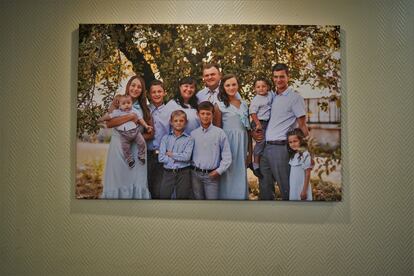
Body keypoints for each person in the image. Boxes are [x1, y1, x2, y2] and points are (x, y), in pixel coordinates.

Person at [254, 63, 309, 200]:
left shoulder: (294, 98)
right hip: (265, 148)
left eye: (282, 77)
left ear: (288, 77)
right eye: (276, 77)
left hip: (281, 148)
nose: (279, 80)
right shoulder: (271, 96)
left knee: (286, 189)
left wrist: (305, 151)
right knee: (265, 189)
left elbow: (302, 125)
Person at [101, 75, 153, 199]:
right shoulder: (118, 101)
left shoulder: (145, 108)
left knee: (137, 182)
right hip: (118, 147)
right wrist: (130, 117)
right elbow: (109, 123)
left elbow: (151, 133)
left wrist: (135, 138)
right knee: (118, 181)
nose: (135, 89)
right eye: (133, 85)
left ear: (142, 90)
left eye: (139, 87)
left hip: (137, 149)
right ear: (128, 86)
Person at [213, 74, 252, 200]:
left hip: (242, 143)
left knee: (240, 173)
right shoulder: (219, 105)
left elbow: (248, 130)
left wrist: (250, 153)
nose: (231, 87)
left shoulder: (244, 104)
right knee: (228, 174)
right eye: (228, 85)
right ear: (223, 87)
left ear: (238, 85)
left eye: (234, 84)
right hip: (228, 143)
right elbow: (217, 131)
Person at [191, 101, 232, 200]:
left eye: (208, 114)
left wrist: (218, 171)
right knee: (198, 203)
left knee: (212, 204)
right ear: (198, 114)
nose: (205, 116)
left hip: (211, 175)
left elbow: (227, 156)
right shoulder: (193, 134)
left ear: (213, 115)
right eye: (202, 113)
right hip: (195, 174)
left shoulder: (219, 133)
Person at [100, 94, 153, 168]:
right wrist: (101, 119)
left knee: (142, 143)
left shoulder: (134, 110)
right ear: (119, 105)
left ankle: (141, 155)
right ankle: (129, 160)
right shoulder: (117, 112)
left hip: (135, 132)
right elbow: (109, 116)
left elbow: (141, 119)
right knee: (125, 148)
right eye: (124, 104)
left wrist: (146, 126)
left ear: (131, 103)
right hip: (124, 135)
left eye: (128, 103)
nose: (126, 105)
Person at [159, 110, 194, 199]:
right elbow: (161, 158)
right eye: (176, 121)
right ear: (171, 122)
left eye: (181, 121)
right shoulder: (165, 138)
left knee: (182, 198)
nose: (178, 123)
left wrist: (171, 154)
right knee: (164, 196)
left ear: (185, 123)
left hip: (183, 172)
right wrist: (178, 157)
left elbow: (186, 157)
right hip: (168, 172)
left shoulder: (189, 139)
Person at [147, 80, 169, 199]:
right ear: (149, 95)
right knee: (147, 187)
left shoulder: (169, 111)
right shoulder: (145, 110)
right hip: (146, 156)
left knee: (159, 191)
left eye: (159, 91)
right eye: (153, 92)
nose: (156, 94)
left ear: (164, 92)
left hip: (163, 157)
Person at [248, 77, 273, 178]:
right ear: (255, 89)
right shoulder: (256, 100)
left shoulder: (270, 95)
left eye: (263, 86)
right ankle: (255, 164)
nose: (261, 88)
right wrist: (257, 124)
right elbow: (252, 113)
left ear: (267, 87)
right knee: (261, 141)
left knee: (267, 141)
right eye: (258, 87)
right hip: (259, 122)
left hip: (267, 122)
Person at [287, 128, 313, 201]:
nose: (292, 144)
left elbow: (307, 174)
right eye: (290, 142)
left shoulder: (305, 154)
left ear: (301, 141)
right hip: (294, 187)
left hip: (302, 188)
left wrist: (304, 191)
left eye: (295, 141)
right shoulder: (294, 155)